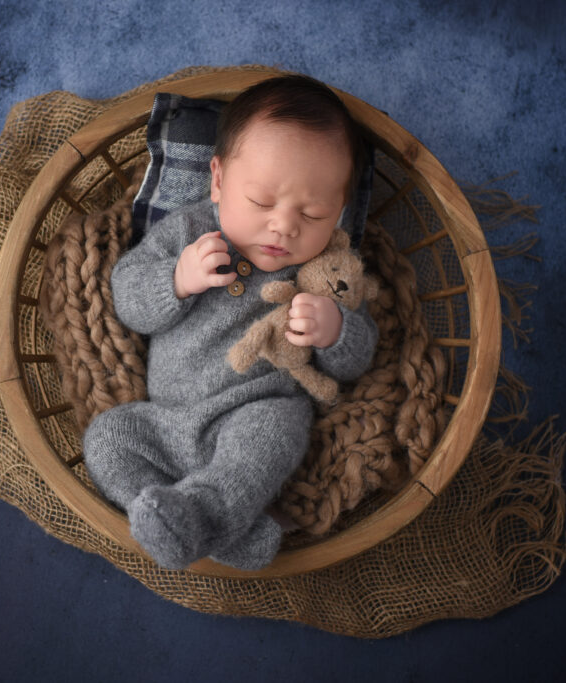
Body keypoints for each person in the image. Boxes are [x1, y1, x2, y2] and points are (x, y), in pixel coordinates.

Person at [82, 74, 378, 570]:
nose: (284, 226)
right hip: (165, 419)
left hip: (254, 411)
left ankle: (205, 513)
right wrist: (176, 280)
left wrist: (336, 330)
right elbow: (126, 298)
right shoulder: (189, 230)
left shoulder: (330, 270)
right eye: (261, 202)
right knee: (107, 438)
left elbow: (358, 359)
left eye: (313, 212)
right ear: (217, 180)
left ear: (340, 214)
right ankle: (192, 522)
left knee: (273, 436)